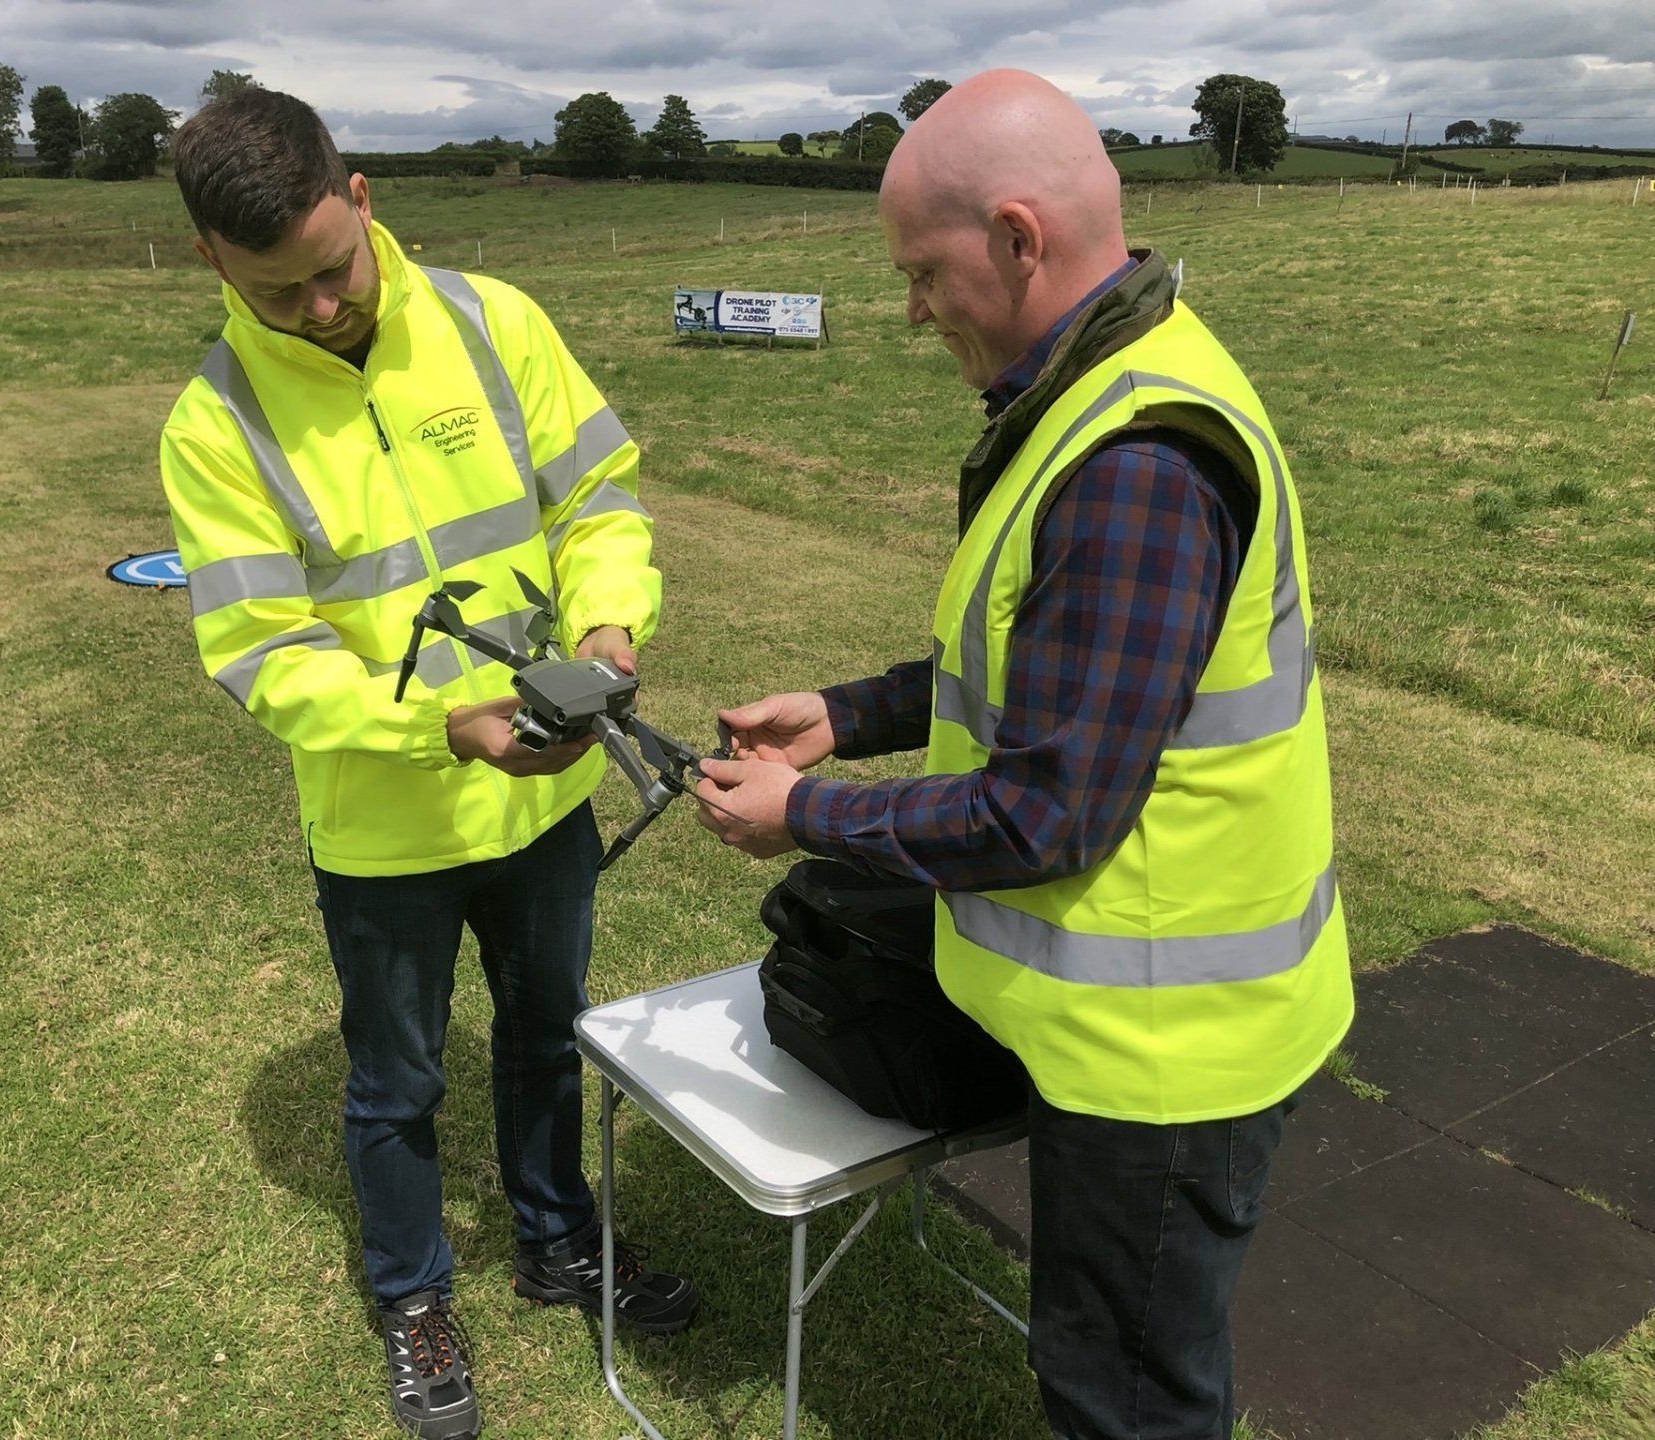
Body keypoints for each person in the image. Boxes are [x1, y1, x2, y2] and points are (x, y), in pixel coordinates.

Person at [694, 70, 1352, 1440]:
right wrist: (848, 712)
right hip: (1146, 1034)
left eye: (924, 274)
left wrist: (806, 812)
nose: (913, 310)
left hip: (1167, 1055)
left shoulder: (1132, 461)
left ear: (1014, 235)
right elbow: (1050, 675)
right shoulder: (1112, 383)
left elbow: (1047, 810)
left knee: (1122, 1400)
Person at [159, 89, 696, 1440]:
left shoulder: (493, 321)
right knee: (396, 1084)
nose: (322, 308)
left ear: (364, 194)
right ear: (215, 262)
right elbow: (263, 656)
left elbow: (598, 499)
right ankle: (412, 1297)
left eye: (332, 270)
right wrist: (435, 726)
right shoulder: (214, 425)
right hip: (385, 834)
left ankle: (556, 1240)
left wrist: (611, 625)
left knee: (545, 1038)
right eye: (279, 293)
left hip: (551, 799)